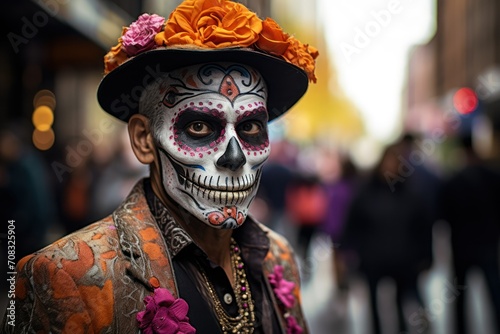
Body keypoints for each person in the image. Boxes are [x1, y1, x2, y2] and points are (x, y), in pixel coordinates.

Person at [0, 0, 318, 333]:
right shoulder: (66, 277)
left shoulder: (279, 257)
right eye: (199, 127)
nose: (234, 157)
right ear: (143, 140)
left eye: (251, 127)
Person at [341, 142, 433, 334]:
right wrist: (349, 254)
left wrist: (425, 256)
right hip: (373, 260)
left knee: (401, 304)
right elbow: (353, 225)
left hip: (403, 260)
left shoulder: (411, 195)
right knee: (374, 307)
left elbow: (423, 227)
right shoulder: (366, 193)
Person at [438, 97, 500, 334]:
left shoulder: (452, 181)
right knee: (494, 293)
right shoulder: (492, 176)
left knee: (460, 298)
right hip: (487, 244)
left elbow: (443, 215)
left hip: (462, 247)